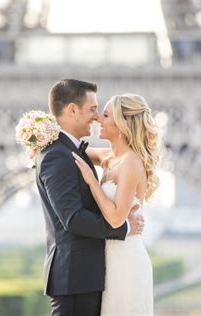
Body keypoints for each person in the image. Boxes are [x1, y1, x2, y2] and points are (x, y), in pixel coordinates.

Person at [35, 79, 144, 316]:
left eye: (101, 112)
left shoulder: (70, 151)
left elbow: (119, 157)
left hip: (87, 274)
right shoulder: (59, 156)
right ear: (72, 110)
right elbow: (72, 218)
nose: (96, 117)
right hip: (76, 276)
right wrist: (123, 229)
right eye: (93, 110)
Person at [73, 93, 159, 315]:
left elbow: (115, 218)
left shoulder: (131, 162)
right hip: (109, 261)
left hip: (127, 264)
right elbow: (71, 150)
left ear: (121, 124)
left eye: (106, 115)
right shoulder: (110, 158)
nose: (98, 119)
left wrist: (92, 181)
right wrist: (40, 136)